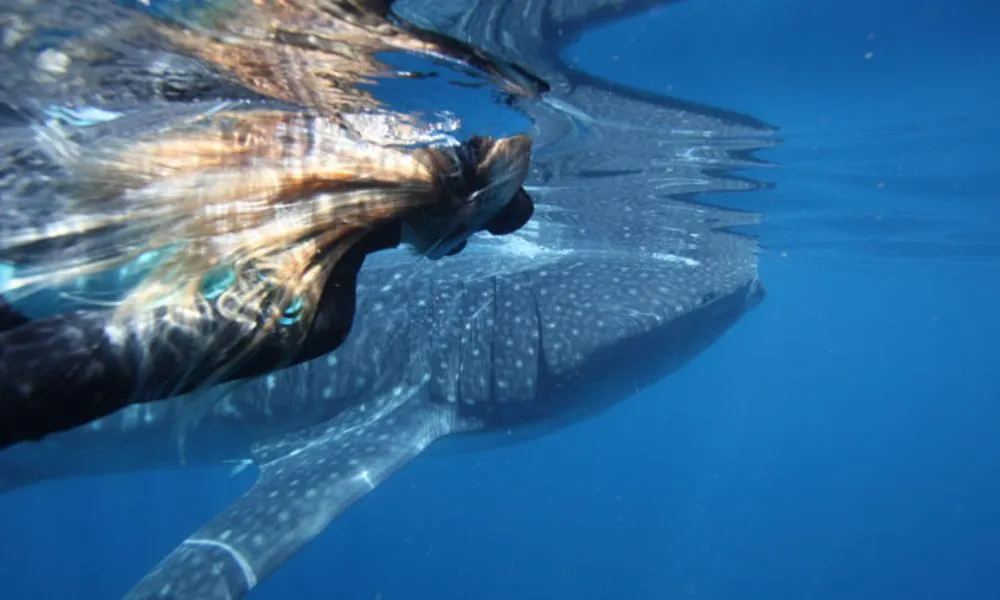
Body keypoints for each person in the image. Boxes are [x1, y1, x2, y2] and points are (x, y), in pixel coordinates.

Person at [0, 126, 535, 449]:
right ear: (450, 225)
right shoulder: (316, 306)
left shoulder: (255, 145)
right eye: (462, 238)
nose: (459, 251)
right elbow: (73, 371)